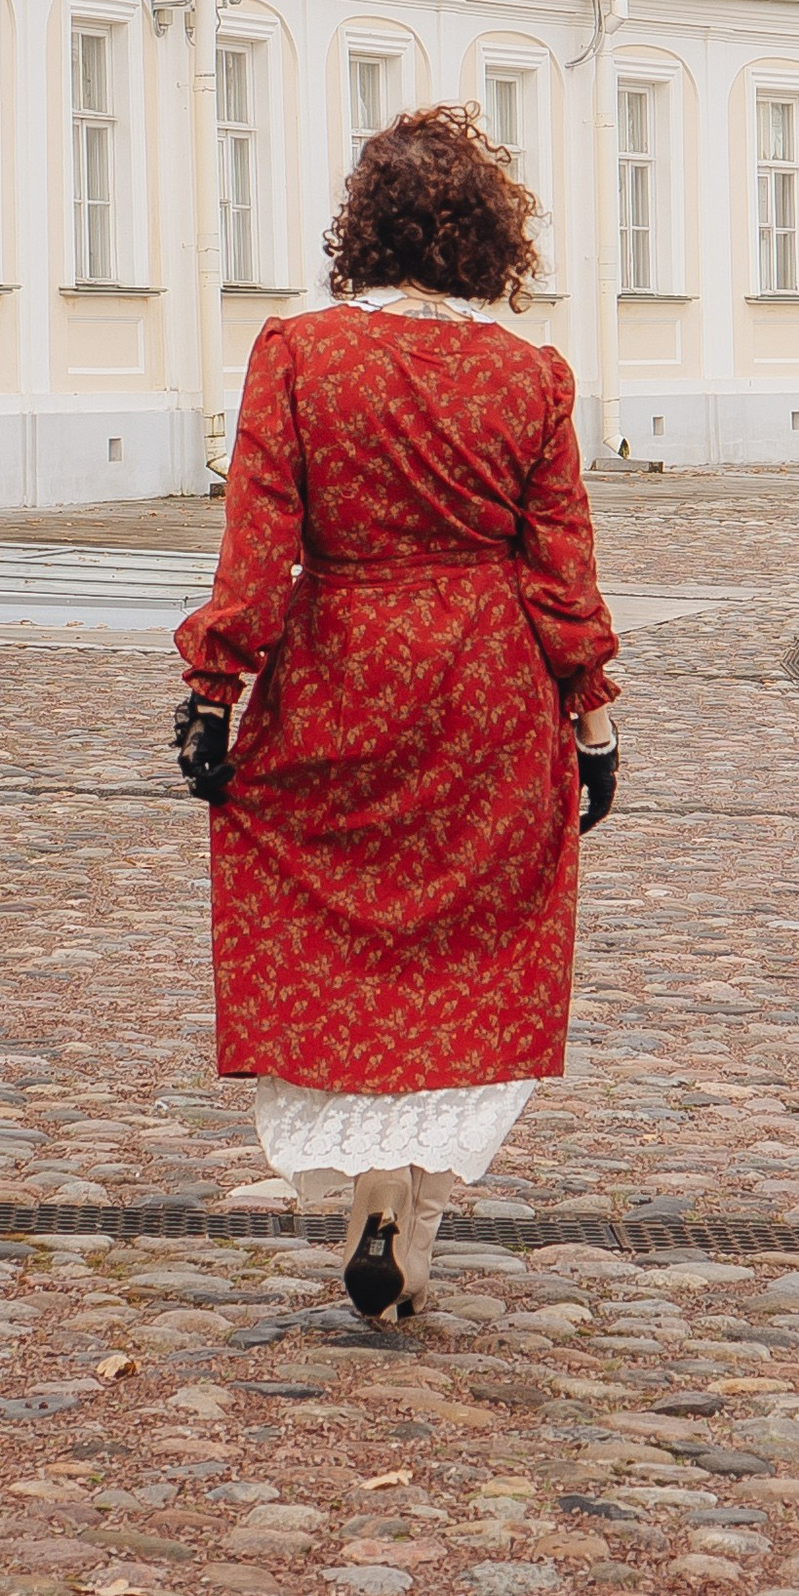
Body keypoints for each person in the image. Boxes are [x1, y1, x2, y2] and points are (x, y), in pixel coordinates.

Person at [172, 102, 620, 1321]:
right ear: (489, 240)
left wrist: (214, 690)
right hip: (485, 680)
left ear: (358, 229)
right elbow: (560, 563)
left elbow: (259, 542)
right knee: (464, 945)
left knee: (344, 932)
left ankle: (373, 1187)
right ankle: (409, 1209)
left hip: (341, 663)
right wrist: (591, 718)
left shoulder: (299, 353)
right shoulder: (530, 373)